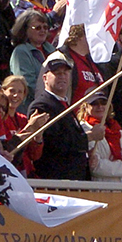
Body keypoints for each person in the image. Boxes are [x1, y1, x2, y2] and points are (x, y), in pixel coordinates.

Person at [29, 51, 93, 181]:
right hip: (56, 179)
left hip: (74, 178)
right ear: (45, 78)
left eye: (65, 73)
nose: (62, 76)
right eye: (57, 73)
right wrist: (87, 138)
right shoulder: (42, 105)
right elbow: (54, 143)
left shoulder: (65, 105)